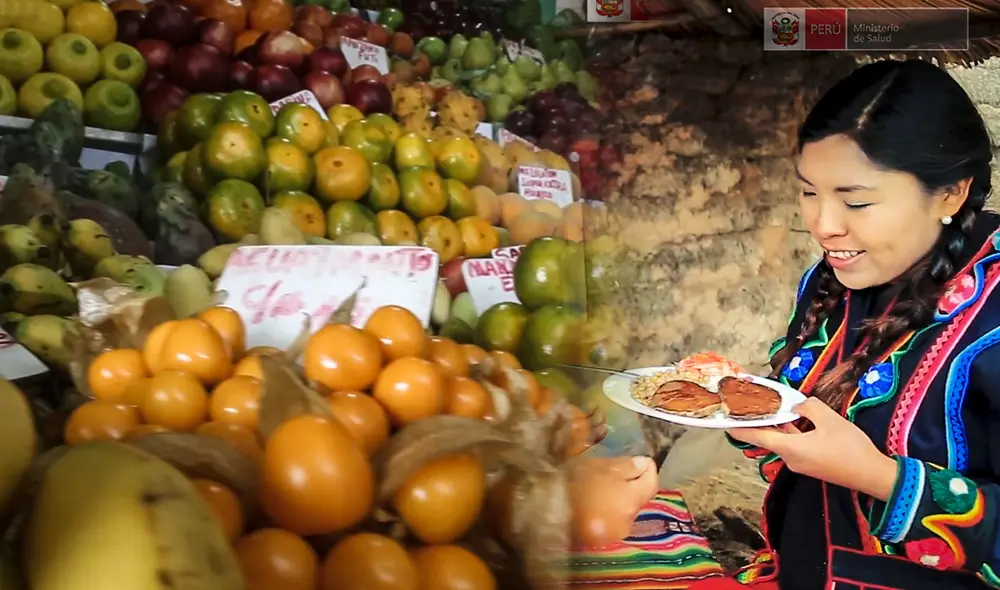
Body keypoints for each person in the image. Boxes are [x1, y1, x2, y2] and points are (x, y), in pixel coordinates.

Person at [689, 58, 1000, 589]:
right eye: (809, 192)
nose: (823, 226)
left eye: (856, 201)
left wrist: (880, 478)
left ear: (950, 192)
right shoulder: (833, 279)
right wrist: (745, 408)